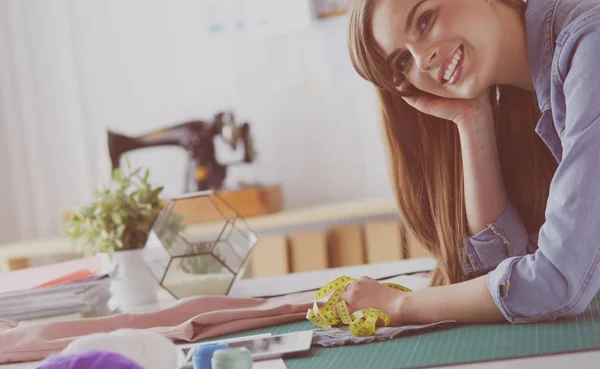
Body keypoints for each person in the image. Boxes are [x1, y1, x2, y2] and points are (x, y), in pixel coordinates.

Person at [341, 0, 600, 325]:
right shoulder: (537, 84)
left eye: (424, 20)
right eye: (403, 61)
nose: (422, 60)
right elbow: (505, 271)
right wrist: (473, 120)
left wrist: (401, 306)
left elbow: (557, 282)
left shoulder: (590, 44)